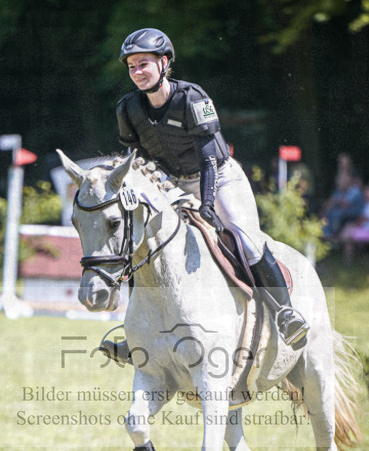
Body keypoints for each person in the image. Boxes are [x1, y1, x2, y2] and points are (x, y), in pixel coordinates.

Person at [114, 28, 308, 347]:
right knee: (143, 245)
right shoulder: (127, 108)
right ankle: (136, 333)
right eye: (132, 66)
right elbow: (135, 161)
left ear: (164, 63)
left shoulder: (194, 98)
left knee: (244, 238)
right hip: (171, 183)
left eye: (143, 64)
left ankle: (286, 315)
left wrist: (206, 203)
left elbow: (209, 160)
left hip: (219, 177)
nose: (137, 72)